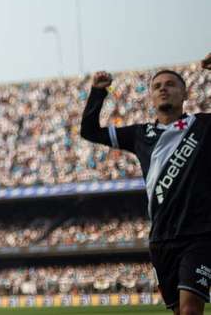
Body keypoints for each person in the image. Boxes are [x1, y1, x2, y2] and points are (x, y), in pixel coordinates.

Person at [80, 54, 211, 315]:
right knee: (179, 311)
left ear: (185, 93)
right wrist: (97, 93)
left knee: (190, 311)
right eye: (157, 86)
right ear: (151, 97)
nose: (163, 88)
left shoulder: (204, 125)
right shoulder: (140, 134)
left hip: (199, 235)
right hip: (160, 239)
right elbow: (89, 131)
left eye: (171, 84)